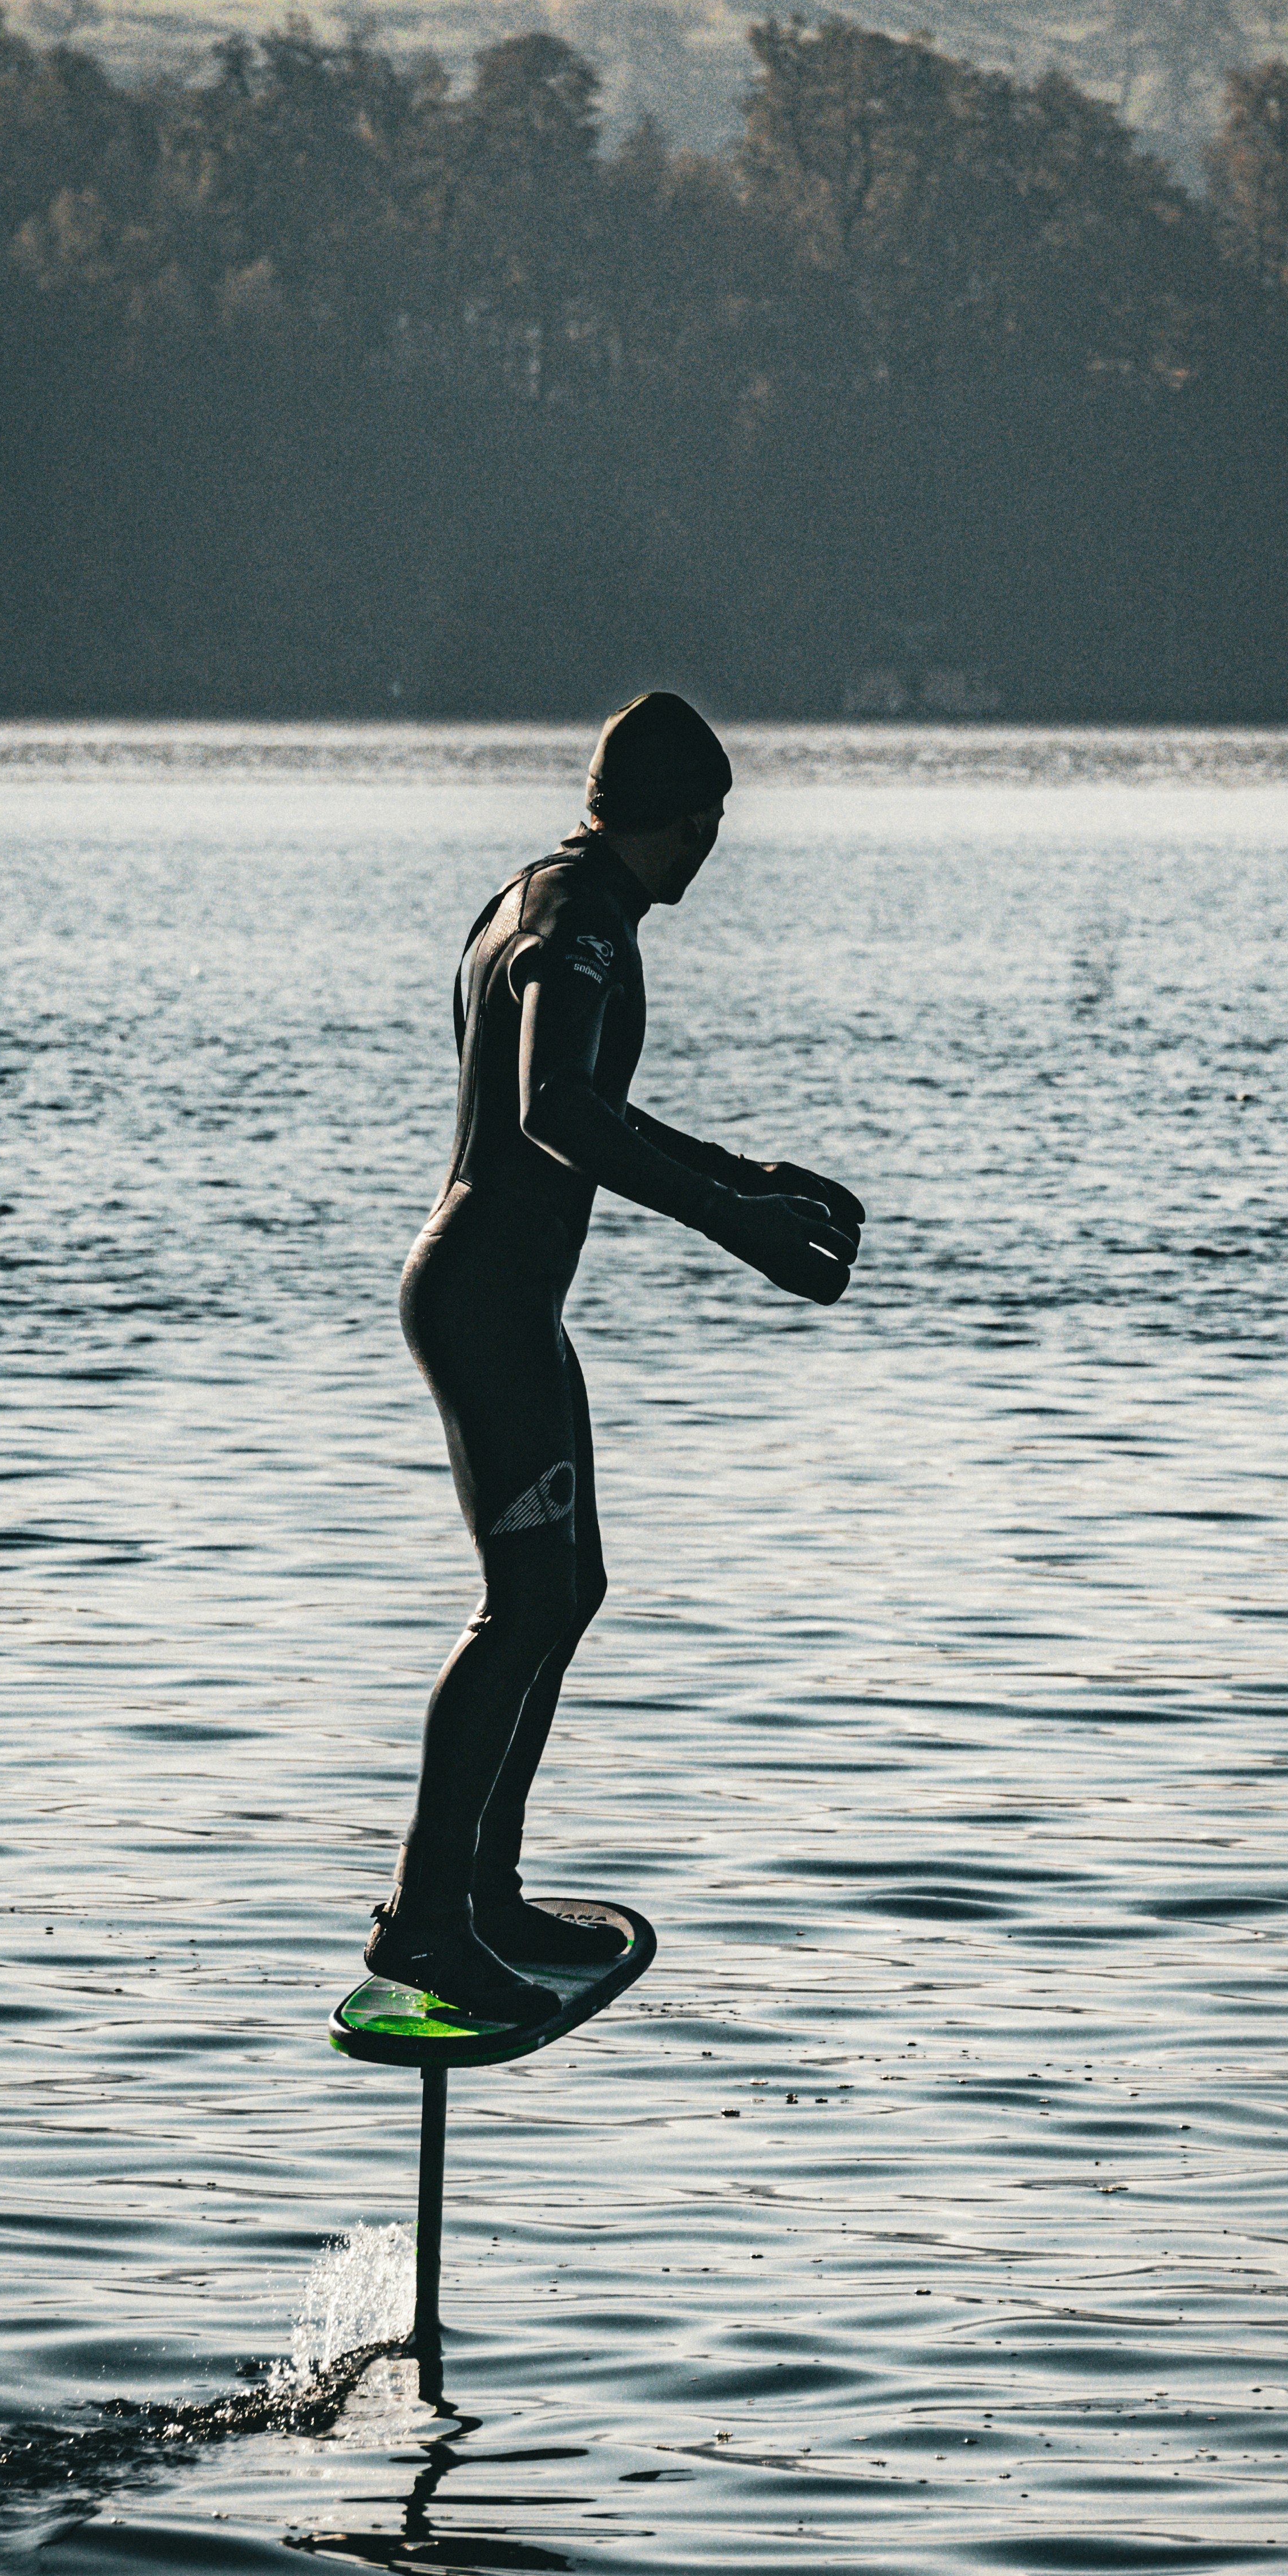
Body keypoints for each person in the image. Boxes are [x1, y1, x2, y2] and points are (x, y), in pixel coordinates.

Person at [372, 691, 863, 2027]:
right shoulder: (580, 922)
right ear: (691, 818)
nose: (714, 849)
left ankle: (483, 1891)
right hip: (484, 1305)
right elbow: (551, 1110)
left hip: (499, 1302)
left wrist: (747, 1175)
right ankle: (425, 1918)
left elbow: (585, 1104)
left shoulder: (536, 897)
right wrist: (737, 1223)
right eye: (714, 824)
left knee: (565, 1588)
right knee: (524, 1605)